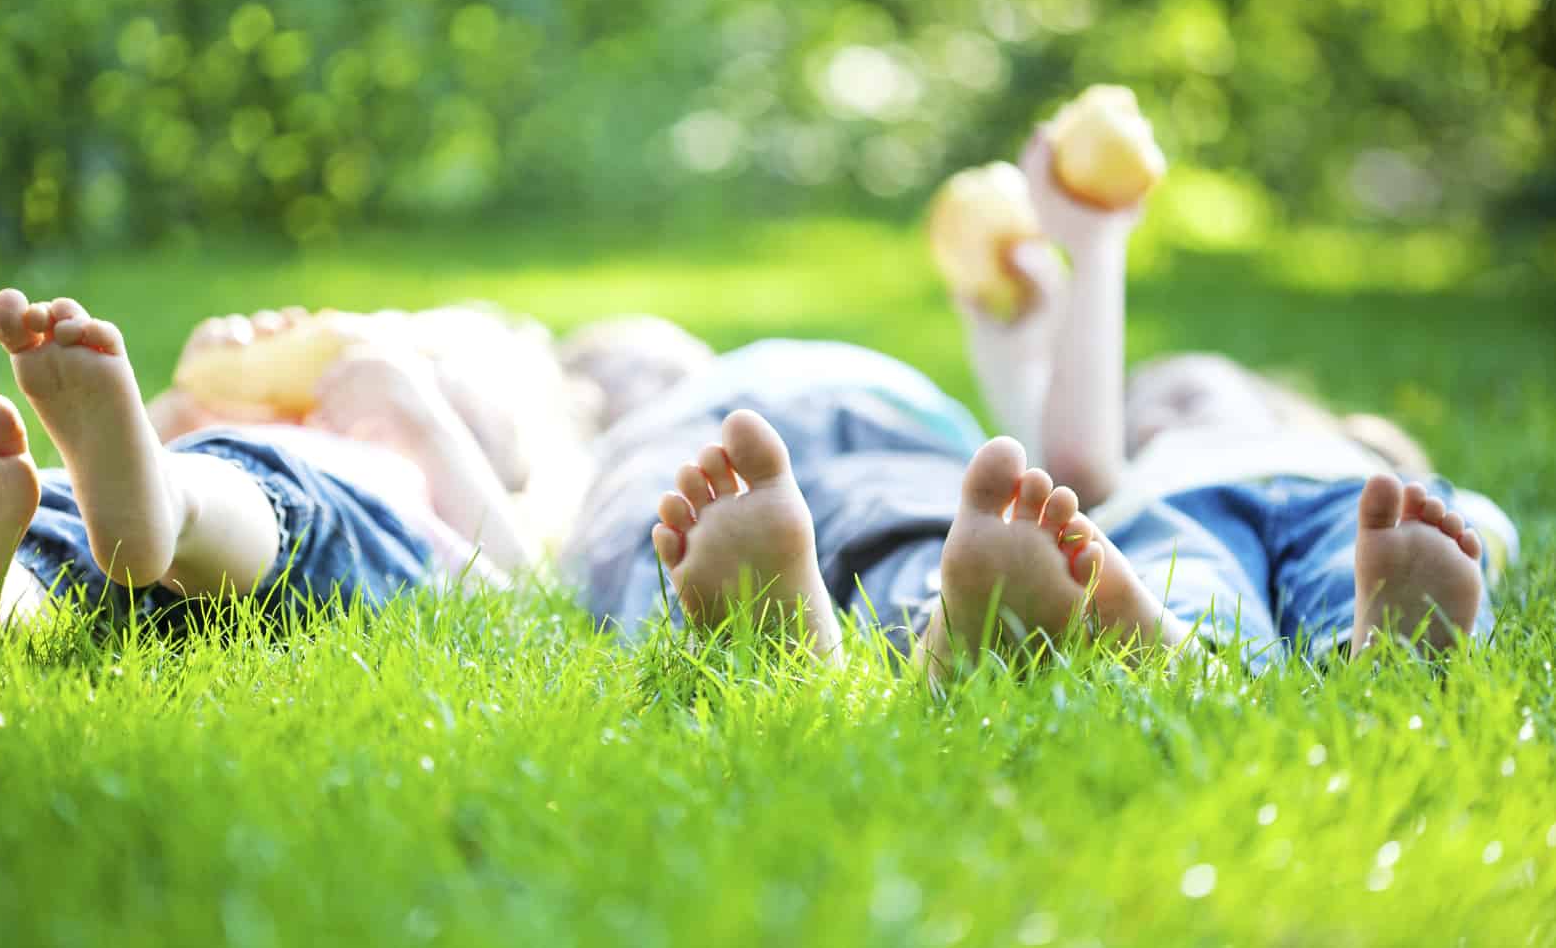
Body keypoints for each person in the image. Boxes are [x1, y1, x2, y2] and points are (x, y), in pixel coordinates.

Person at [561, 124, 1515, 678]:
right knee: (1175, 578)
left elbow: (1474, 522)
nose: (1154, 413)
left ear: (1288, 404)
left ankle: (1387, 643)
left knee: (1390, 550)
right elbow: (1042, 463)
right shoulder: (1140, 480)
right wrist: (1042, 311)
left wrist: (1454, 529)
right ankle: (1182, 658)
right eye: (1142, 406)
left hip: (1350, 520)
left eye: (1181, 388)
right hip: (1165, 525)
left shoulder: (1348, 459)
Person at [0, 291, 547, 627]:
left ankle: (168, 506)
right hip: (168, 535)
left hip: (296, 518)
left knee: (257, 486)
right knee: (62, 522)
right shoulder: (256, 417)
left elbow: (521, 589)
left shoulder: (398, 468)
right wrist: (185, 402)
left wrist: (424, 419)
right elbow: (108, 471)